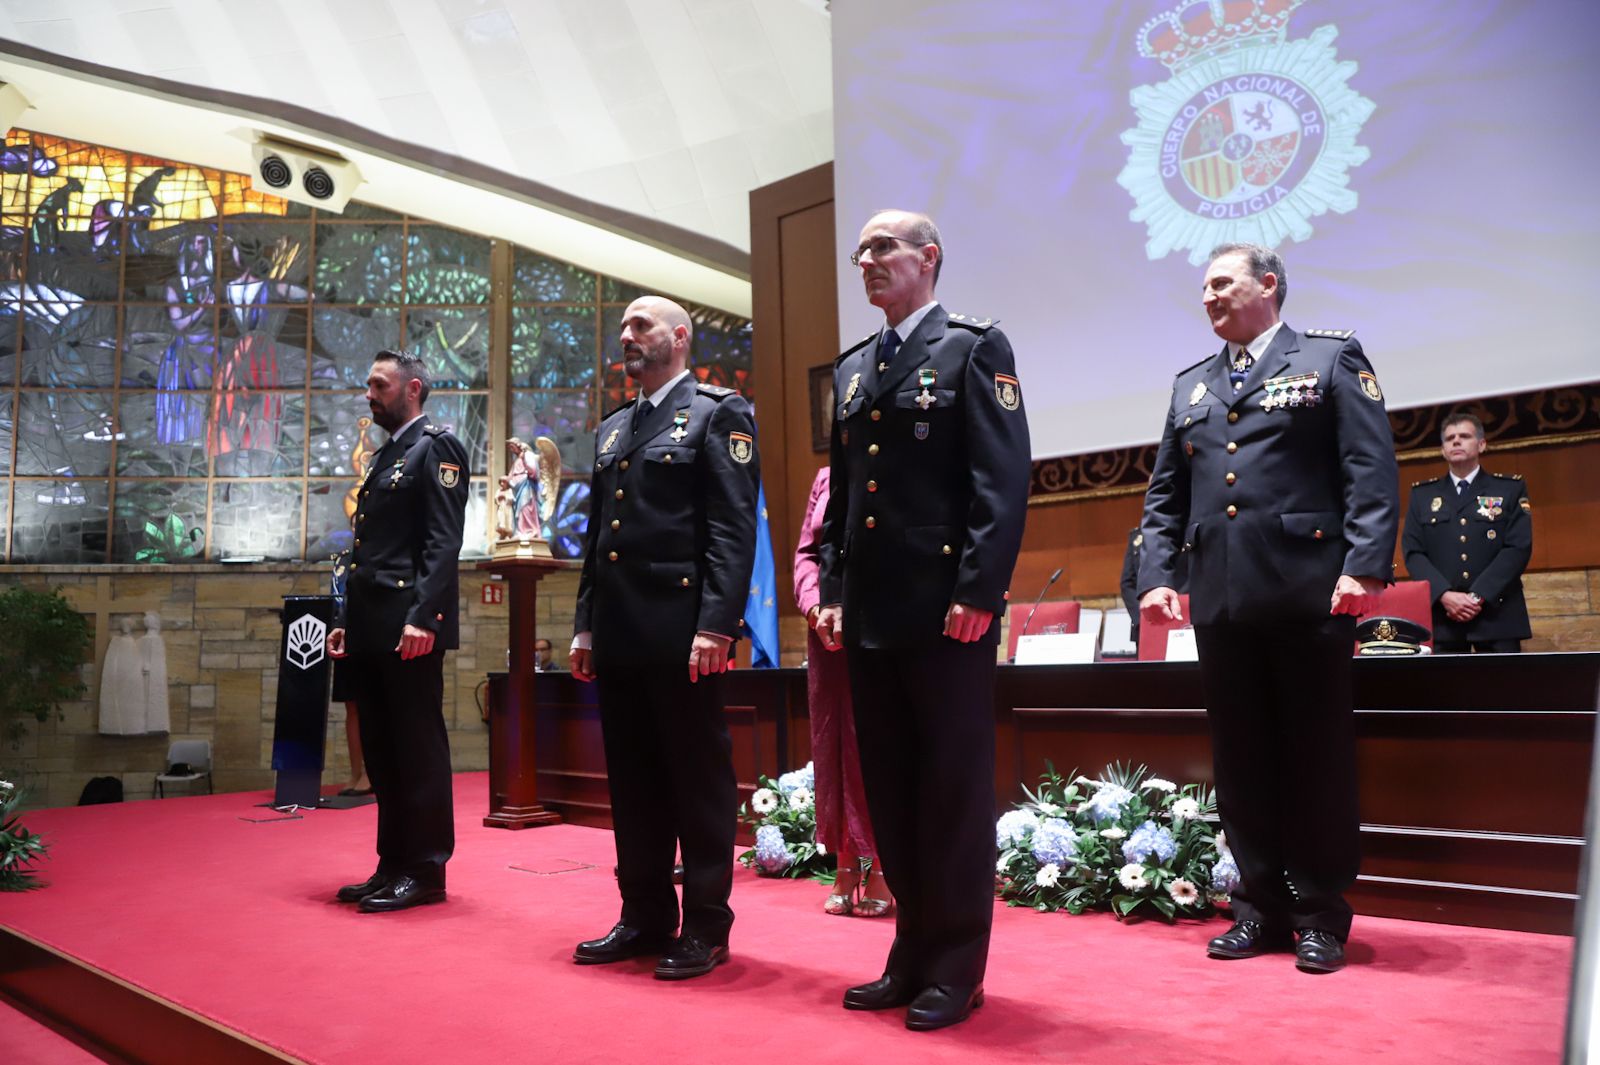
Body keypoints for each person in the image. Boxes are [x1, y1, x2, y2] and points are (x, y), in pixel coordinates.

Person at [1138, 243, 1399, 974]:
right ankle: (1257, 905)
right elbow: (1165, 496)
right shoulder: (1191, 385)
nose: (1209, 296)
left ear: (1268, 285)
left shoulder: (1328, 360)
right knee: (1242, 761)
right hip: (1220, 599)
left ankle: (1319, 913)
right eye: (1204, 287)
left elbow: (1370, 469)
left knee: (1313, 758)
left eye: (1222, 282)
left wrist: (1364, 566)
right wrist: (1158, 573)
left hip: (1307, 592)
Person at [814, 210, 1031, 1030]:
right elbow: (844, 497)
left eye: (883, 248)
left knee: (950, 792)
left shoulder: (975, 348)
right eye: (860, 250)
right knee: (896, 791)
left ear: (927, 257)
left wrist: (979, 590)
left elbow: (1001, 480)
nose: (866, 260)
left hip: (947, 615)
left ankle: (956, 963)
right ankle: (911, 948)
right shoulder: (858, 365)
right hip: (871, 613)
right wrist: (834, 587)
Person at [569, 296, 760, 980]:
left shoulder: (718, 411)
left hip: (683, 632)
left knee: (696, 782)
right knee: (635, 782)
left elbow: (733, 531)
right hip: (621, 632)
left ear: (679, 337)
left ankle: (706, 924)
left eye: (640, 325)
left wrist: (717, 624)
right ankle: (645, 913)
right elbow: (599, 541)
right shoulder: (615, 428)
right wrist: (585, 622)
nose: (627, 336)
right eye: (622, 327)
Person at [327, 349, 470, 913]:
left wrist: (423, 618)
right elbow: (366, 552)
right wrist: (345, 620)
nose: (369, 393)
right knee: (383, 751)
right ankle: (392, 863)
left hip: (408, 624)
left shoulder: (436, 447)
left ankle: (427, 870)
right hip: (372, 623)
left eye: (379, 385)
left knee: (417, 748)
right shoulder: (388, 454)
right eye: (368, 384)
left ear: (412, 389)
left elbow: (442, 542)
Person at [793, 466, 893, 918]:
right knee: (834, 748)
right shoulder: (825, 476)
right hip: (828, 633)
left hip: (883, 626)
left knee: (877, 746)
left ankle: (886, 868)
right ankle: (846, 865)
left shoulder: (898, 460)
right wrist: (813, 603)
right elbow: (807, 554)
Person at [1401, 413, 1532, 653]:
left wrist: (1478, 596)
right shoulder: (1423, 495)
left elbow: (1518, 547)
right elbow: (1413, 552)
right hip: (1444, 616)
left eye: (1464, 436)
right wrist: (1444, 594)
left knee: (1503, 688)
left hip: (1497, 612)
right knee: (1446, 690)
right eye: (1450, 438)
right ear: (1443, 449)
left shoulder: (1509, 488)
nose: (1456, 442)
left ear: (1481, 444)